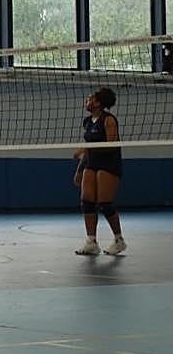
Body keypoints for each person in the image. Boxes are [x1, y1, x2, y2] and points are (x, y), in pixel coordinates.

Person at [73, 87, 126, 256]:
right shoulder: (88, 122)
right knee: (86, 201)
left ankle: (119, 240)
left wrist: (85, 148)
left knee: (105, 203)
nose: (87, 101)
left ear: (98, 103)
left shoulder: (108, 120)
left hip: (109, 164)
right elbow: (89, 149)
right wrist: (80, 169)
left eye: (90, 99)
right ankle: (91, 242)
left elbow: (111, 146)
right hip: (92, 164)